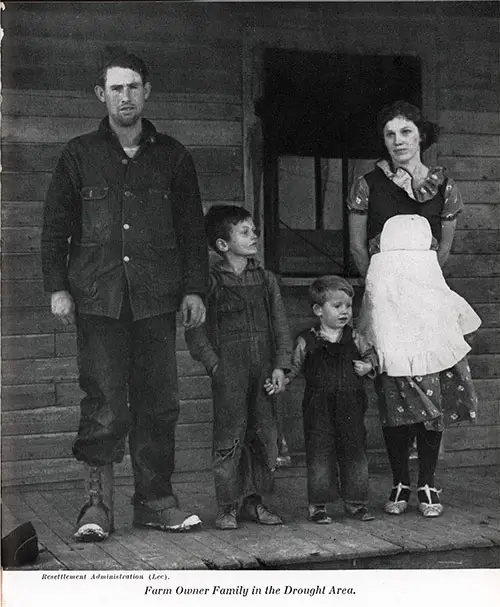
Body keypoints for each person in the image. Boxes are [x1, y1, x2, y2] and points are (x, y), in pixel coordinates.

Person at [41, 48, 209, 541]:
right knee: (105, 402)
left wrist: (195, 288)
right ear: (102, 95)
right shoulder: (78, 154)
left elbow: (192, 233)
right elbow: (55, 230)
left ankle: (155, 502)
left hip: (157, 300)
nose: (126, 96)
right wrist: (57, 288)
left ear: (147, 92)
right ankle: (97, 507)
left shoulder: (174, 156)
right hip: (98, 299)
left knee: (159, 404)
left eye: (133, 86)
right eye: (116, 88)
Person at [349, 100, 481, 517]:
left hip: (427, 300)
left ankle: (427, 482)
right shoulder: (368, 182)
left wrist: (420, 283)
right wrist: (381, 290)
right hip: (385, 302)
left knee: (432, 391)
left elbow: (443, 249)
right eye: (389, 134)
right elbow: (356, 245)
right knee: (394, 392)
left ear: (420, 135)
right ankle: (399, 482)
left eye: (405, 132)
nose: (397, 141)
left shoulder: (444, 186)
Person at [185, 205, 292, 530]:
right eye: (244, 232)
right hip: (229, 373)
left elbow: (281, 326)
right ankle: (227, 507)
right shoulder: (210, 283)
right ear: (222, 244)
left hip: (263, 372)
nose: (254, 236)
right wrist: (214, 365)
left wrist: (281, 366)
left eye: (253, 230)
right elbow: (195, 330)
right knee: (229, 437)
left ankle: (255, 504)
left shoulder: (266, 280)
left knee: (262, 434)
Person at [284, 276, 377, 524]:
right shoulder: (307, 340)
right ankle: (318, 505)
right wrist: (281, 380)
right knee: (319, 454)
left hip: (351, 406)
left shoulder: (356, 338)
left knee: (354, 452)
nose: (344, 311)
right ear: (318, 310)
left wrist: (368, 366)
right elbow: (293, 368)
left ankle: (356, 502)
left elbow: (372, 357)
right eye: (337, 306)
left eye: (348, 306)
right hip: (318, 408)